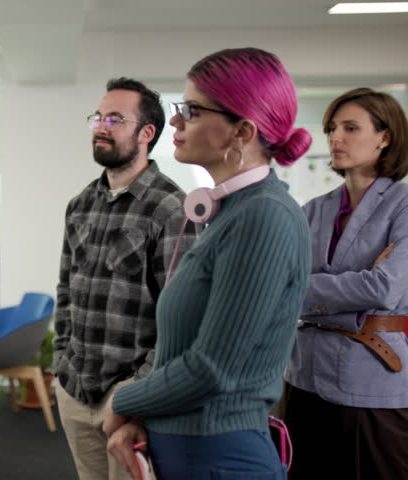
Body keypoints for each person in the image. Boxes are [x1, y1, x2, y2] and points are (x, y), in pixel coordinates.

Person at [104, 48, 313, 480]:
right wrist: (145, 417)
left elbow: (211, 368)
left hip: (218, 456)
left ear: (242, 131)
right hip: (191, 449)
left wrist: (123, 401)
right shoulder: (232, 211)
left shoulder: (263, 215)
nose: (175, 122)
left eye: (193, 110)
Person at [54, 77, 197, 480]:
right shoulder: (80, 205)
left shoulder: (173, 208)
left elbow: (180, 316)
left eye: (115, 119)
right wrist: (61, 361)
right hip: (75, 385)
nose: (101, 126)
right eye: (98, 117)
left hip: (129, 395)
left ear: (146, 133)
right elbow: (66, 288)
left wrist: (138, 391)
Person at [282, 88, 408, 479]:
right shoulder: (312, 210)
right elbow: (278, 286)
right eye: (332, 128)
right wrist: (351, 291)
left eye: (350, 128)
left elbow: (384, 289)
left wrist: (304, 288)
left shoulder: (403, 206)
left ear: (384, 137)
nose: (335, 137)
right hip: (303, 378)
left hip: (372, 381)